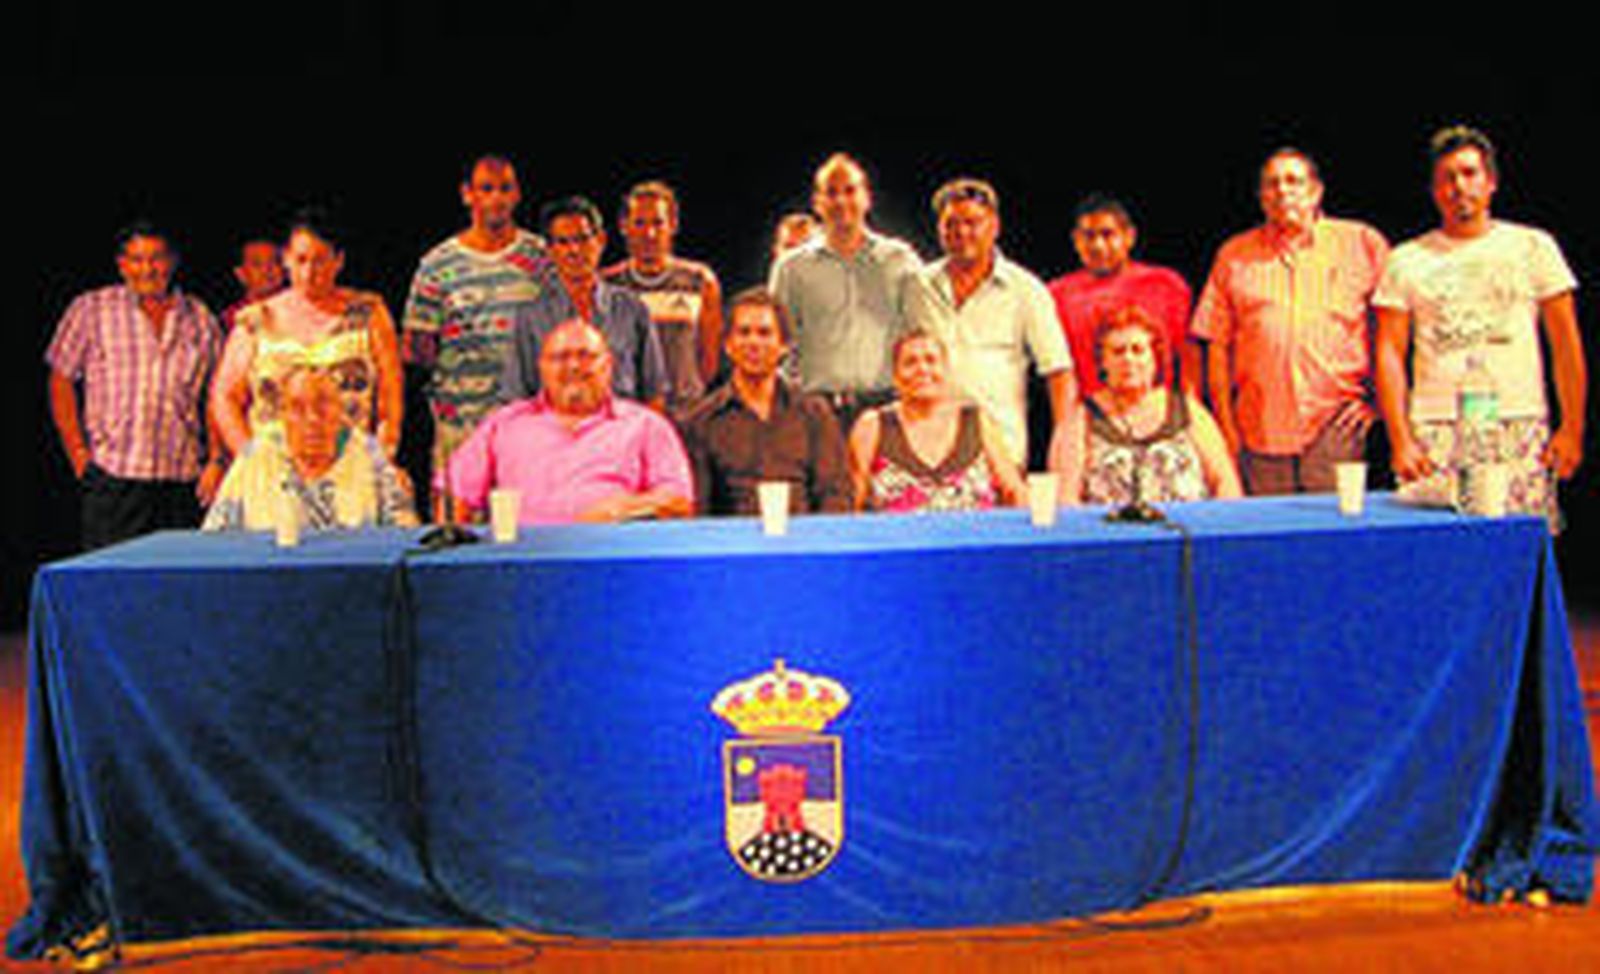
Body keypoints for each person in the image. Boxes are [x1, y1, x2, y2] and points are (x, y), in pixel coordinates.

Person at [1374, 125, 1585, 527]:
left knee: (1517, 548)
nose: (1459, 186)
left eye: (1470, 174)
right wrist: (1400, 440)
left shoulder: (1533, 246)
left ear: (1491, 182)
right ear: (1435, 190)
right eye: (1447, 177)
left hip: (1517, 423)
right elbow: (1388, 352)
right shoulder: (1407, 258)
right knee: (1439, 550)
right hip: (1435, 428)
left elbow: (1565, 344)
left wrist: (1571, 428)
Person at [1191, 147, 1389, 495]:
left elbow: (1389, 333)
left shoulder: (1361, 243)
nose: (1283, 190)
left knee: (1333, 535)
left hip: (1336, 426)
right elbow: (1216, 347)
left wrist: (1377, 402)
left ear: (1316, 192)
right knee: (1269, 539)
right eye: (1272, 184)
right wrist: (1225, 425)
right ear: (1261, 198)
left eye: (1293, 181)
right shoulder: (1234, 255)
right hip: (1259, 430)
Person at [47, 222, 225, 549]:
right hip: (114, 481)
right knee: (111, 590)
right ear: (121, 264)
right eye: (136, 259)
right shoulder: (92, 309)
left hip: (181, 481)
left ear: (172, 261)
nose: (147, 269)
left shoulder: (200, 318)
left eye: (157, 258)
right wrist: (78, 455)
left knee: (176, 591)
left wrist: (215, 460)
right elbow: (61, 379)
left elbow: (216, 396)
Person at [402, 154, 552, 506]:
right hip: (460, 423)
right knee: (456, 527)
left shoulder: (539, 257)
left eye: (505, 189)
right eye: (486, 189)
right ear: (467, 195)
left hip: (525, 419)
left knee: (526, 527)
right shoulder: (439, 264)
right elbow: (418, 343)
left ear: (517, 195)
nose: (496, 198)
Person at [443, 319, 692, 524]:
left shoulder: (645, 425)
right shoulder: (505, 423)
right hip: (521, 564)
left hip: (611, 559)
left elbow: (678, 501)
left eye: (586, 356)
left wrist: (621, 508)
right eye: (559, 357)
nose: (573, 366)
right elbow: (454, 496)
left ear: (608, 365)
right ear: (541, 367)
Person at [902, 177, 1076, 471]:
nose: (962, 232)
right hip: (926, 454)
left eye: (972, 222)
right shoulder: (916, 287)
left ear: (994, 226)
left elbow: (1058, 372)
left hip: (999, 455)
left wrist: (1066, 447)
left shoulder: (1025, 289)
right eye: (951, 224)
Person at [211, 208, 404, 464]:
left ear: (339, 261)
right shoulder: (257, 320)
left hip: (350, 467)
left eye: (321, 260)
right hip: (275, 470)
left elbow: (390, 399)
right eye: (301, 260)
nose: (309, 272)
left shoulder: (369, 314)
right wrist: (250, 457)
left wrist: (381, 458)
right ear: (286, 259)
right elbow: (224, 397)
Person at [768, 152, 922, 432]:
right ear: (817, 202)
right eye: (831, 192)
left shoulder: (901, 260)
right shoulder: (791, 268)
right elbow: (777, 342)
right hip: (815, 412)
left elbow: (919, 334)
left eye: (850, 191)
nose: (841, 201)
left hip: (887, 409)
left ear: (867, 197)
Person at [679, 288, 853, 516]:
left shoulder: (814, 413)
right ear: (728, 345)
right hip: (734, 544)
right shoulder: (700, 421)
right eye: (744, 332)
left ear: (784, 346)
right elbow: (700, 510)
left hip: (805, 542)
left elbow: (836, 494)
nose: (753, 343)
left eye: (764, 333)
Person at [1051, 306, 1241, 505]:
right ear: (1103, 362)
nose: (1128, 359)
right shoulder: (1081, 419)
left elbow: (1225, 482)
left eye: (1137, 350)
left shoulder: (1189, 411)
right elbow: (1066, 497)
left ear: (1154, 358)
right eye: (1118, 352)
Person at [204, 364, 418, 530]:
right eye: (297, 408)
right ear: (282, 415)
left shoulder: (368, 453)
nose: (313, 419)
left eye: (323, 404)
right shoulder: (257, 455)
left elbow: (404, 536)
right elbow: (216, 540)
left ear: (340, 411)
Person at [504, 196, 669, 408]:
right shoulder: (530, 317)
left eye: (582, 239)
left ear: (600, 240)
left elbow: (654, 392)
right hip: (554, 435)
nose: (574, 251)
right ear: (550, 250)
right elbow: (516, 399)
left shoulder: (632, 310)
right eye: (563, 242)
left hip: (621, 435)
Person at [849, 329, 1024, 512]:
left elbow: (1014, 488)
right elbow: (852, 503)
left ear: (946, 371)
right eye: (910, 363)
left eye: (931, 360)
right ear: (895, 377)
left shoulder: (977, 421)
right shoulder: (872, 426)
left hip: (974, 538)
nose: (923, 370)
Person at [1047, 194, 1197, 397]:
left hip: (1160, 416)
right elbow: (1057, 371)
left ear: (1129, 237)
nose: (1098, 246)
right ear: (1075, 240)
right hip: (1092, 418)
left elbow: (1188, 356)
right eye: (1089, 236)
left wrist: (1191, 409)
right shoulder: (1056, 295)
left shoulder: (1166, 285)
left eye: (1108, 235)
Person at [602, 180, 723, 412]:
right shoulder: (607, 285)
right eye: (639, 223)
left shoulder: (700, 281)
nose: (649, 233)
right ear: (623, 226)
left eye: (658, 223)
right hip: (626, 414)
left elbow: (709, 362)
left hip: (686, 414)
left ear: (673, 225)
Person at [220, 237, 285, 333]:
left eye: (274, 261)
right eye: (257, 264)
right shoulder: (232, 317)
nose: (267, 270)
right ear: (240, 274)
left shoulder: (299, 305)